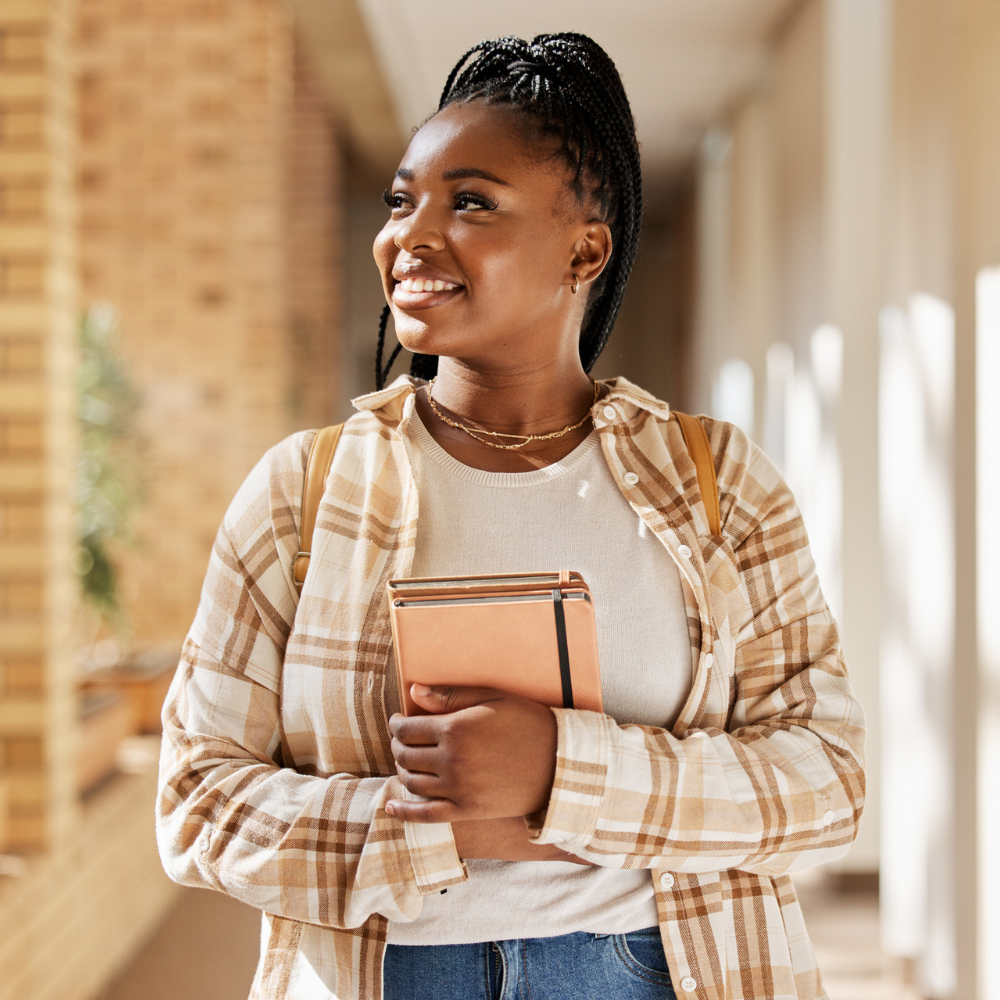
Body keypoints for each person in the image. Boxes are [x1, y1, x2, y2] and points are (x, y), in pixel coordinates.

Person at [156, 33, 866, 1000]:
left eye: (472, 202)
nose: (411, 233)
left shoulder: (719, 486)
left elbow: (826, 780)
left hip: (651, 971)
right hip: (385, 974)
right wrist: (424, 827)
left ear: (585, 248)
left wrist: (561, 771)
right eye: (402, 199)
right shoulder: (302, 494)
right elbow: (196, 800)